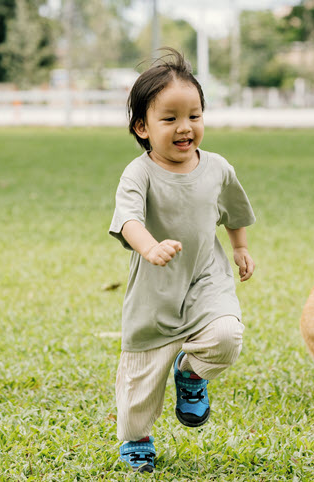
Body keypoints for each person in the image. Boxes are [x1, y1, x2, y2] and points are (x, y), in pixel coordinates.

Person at [109, 48, 256, 473]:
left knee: (226, 336)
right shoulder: (138, 173)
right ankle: (137, 438)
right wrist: (149, 247)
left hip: (206, 277)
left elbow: (234, 211)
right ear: (142, 126)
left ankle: (190, 372)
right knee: (140, 380)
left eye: (194, 115)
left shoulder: (217, 168)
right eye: (169, 118)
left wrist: (240, 248)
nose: (185, 127)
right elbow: (128, 218)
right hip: (154, 291)